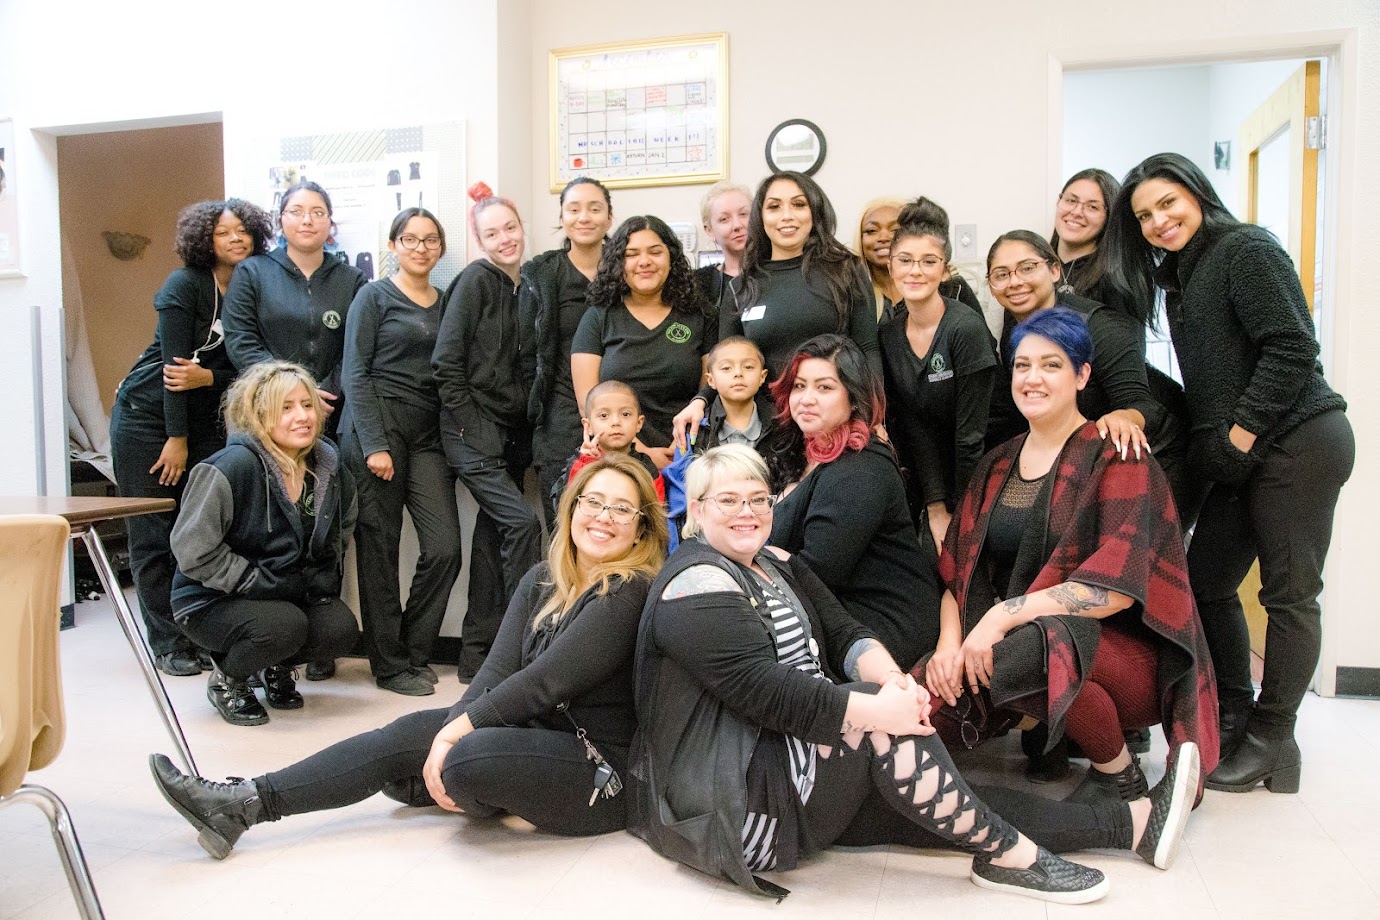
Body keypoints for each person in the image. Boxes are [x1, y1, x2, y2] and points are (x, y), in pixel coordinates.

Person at [631, 445, 1203, 903]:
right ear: (696, 510)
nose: (748, 511)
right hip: (741, 804)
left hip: (801, 760)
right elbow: (764, 692)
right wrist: (875, 709)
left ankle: (1133, 823)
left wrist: (894, 682)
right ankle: (1013, 858)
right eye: (728, 500)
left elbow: (844, 632)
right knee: (899, 744)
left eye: (758, 498)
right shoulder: (696, 584)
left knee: (942, 796)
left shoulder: (775, 564)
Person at [150, 453, 668, 855]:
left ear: (641, 527)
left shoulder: (628, 591)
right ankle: (243, 804)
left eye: (622, 509)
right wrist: (450, 725)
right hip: (534, 735)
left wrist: (452, 737)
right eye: (593, 502)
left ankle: (462, 780)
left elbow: (543, 684)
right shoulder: (542, 580)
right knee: (400, 737)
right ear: (572, 508)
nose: (603, 517)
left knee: (463, 758)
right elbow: (495, 672)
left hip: (597, 768)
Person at [1103, 152, 1354, 793]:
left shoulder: (1245, 249)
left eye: (1168, 203)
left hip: (1299, 440)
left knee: (1289, 595)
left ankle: (1275, 739)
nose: (1159, 221)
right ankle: (1236, 713)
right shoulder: (1181, 277)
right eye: (1144, 216)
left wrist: (1240, 432)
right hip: (1244, 454)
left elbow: (1292, 346)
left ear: (1198, 193)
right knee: (1207, 581)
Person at [922, 308, 1218, 802]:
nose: (1032, 378)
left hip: (1126, 661)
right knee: (917, 710)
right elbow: (959, 574)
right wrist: (948, 648)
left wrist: (1000, 616)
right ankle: (1039, 724)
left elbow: (1114, 592)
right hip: (1011, 647)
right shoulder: (998, 462)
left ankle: (1117, 773)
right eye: (1022, 365)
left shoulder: (1117, 454)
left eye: (1051, 365)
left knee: (1039, 641)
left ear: (1082, 376)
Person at [109, 198, 273, 677]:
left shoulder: (253, 286)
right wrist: (175, 439)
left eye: (242, 230)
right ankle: (166, 642)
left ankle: (197, 632)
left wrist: (211, 380)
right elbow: (174, 373)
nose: (236, 239)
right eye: (223, 232)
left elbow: (253, 370)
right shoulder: (184, 285)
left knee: (198, 529)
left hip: (204, 422)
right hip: (148, 418)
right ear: (205, 240)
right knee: (153, 532)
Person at [222, 180, 365, 681]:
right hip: (261, 417)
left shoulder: (350, 279)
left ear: (330, 222)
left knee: (321, 525)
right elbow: (240, 340)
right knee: (261, 525)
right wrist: (289, 392)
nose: (308, 219)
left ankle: (314, 642)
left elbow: (355, 348)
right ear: (281, 219)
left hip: (327, 417)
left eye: (318, 212)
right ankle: (262, 638)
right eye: (297, 211)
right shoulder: (253, 273)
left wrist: (322, 395)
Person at [170, 361, 359, 726]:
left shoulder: (329, 467)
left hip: (282, 592)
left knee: (339, 627)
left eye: (307, 405)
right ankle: (228, 679)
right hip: (211, 598)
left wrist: (316, 578)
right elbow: (192, 551)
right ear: (258, 416)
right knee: (284, 626)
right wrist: (252, 580)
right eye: (286, 408)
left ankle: (274, 666)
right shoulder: (230, 467)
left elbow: (341, 530)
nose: (302, 416)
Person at [759, 335, 939, 671]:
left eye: (825, 388)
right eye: (799, 386)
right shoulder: (797, 452)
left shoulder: (861, 467)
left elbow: (818, 571)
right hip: (827, 612)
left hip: (880, 626)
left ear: (854, 399)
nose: (807, 399)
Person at [340, 207, 462, 696]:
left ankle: (412, 650)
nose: (420, 248)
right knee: (379, 552)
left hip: (428, 433)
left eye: (430, 239)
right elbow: (354, 373)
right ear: (393, 245)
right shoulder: (373, 296)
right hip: (378, 427)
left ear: (441, 248)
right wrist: (374, 444)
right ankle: (389, 666)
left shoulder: (446, 302)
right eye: (410, 239)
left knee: (445, 547)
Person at [671, 171, 878, 448]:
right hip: (767, 432)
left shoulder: (847, 271)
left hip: (835, 427)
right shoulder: (742, 286)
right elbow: (726, 360)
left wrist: (873, 419)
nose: (787, 216)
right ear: (761, 217)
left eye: (798, 204)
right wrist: (700, 401)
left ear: (815, 211)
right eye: (774, 207)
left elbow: (868, 349)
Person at [433, 184, 542, 680]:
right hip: (471, 435)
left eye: (510, 228)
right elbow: (446, 363)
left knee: (491, 538)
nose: (505, 239)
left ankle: (475, 657)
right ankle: (519, 649)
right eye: (492, 234)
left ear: (522, 228)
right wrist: (471, 427)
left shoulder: (529, 285)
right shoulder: (475, 281)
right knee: (522, 526)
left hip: (512, 438)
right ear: (479, 241)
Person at [1049, 170, 1198, 528]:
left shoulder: (1117, 276)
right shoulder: (1037, 273)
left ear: (1109, 218)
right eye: (1071, 200)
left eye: (1092, 206)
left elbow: (1123, 373)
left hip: (1147, 428)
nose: (1077, 212)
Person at [878, 199, 997, 553]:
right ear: (890, 266)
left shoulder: (965, 329)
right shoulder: (889, 334)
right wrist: (935, 507)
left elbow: (971, 437)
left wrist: (962, 514)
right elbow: (915, 422)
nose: (915, 271)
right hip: (932, 467)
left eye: (929, 261)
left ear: (945, 271)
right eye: (905, 260)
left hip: (986, 459)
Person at [572, 214, 714, 470]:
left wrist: (681, 446)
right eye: (632, 254)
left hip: (690, 454)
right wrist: (641, 452)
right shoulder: (598, 317)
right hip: (619, 459)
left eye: (655, 252)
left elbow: (710, 390)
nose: (644, 261)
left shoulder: (699, 315)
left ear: (671, 258)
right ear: (618, 263)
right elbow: (588, 404)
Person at [522, 177, 614, 520]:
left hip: (620, 413)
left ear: (609, 217)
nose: (584, 217)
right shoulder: (543, 274)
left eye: (594, 208)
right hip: (561, 417)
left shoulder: (628, 269)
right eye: (573, 209)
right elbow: (527, 348)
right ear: (562, 218)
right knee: (565, 521)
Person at [561, 381, 663, 499]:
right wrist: (587, 461)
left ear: (639, 423)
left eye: (625, 414)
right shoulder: (580, 463)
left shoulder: (647, 469)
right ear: (588, 426)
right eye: (604, 415)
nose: (615, 422)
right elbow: (568, 503)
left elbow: (656, 507)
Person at [692, 335, 772, 453]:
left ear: (762, 377)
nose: (738, 373)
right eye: (726, 368)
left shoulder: (781, 425)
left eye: (748, 367)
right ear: (711, 380)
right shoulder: (696, 427)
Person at [694, 181, 751, 313]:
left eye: (743, 214)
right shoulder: (698, 284)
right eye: (724, 219)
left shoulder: (777, 273)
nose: (737, 225)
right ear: (709, 230)